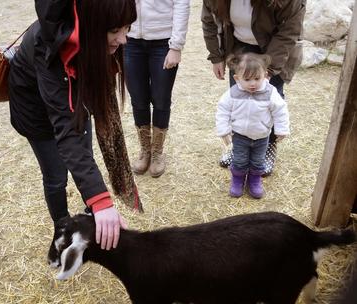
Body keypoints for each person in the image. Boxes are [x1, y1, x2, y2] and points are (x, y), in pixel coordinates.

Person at [8, 0, 137, 250]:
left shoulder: (88, 32)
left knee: (84, 154)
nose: (123, 40)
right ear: (88, 26)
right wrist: (102, 202)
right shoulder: (50, 49)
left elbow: (76, 140)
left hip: (71, 96)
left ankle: (93, 216)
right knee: (56, 175)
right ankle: (62, 229)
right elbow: (67, 133)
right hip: (35, 112)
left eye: (127, 28)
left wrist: (101, 206)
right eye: (114, 31)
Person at [202, 0, 305, 176]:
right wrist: (216, 56)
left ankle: (268, 145)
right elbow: (210, 20)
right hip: (239, 46)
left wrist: (268, 70)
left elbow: (288, 31)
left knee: (269, 99)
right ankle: (239, 147)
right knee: (239, 98)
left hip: (274, 48)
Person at [124, 0, 190, 178]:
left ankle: (157, 151)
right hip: (130, 40)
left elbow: (182, 4)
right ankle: (145, 149)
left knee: (161, 98)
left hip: (163, 42)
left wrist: (176, 46)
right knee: (138, 98)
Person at [216, 52, 290, 198]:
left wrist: (281, 129)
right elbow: (223, 110)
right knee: (240, 160)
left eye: (257, 78)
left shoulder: (270, 92)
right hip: (240, 136)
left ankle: (254, 181)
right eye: (247, 79)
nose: (253, 83)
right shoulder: (233, 93)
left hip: (262, 137)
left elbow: (280, 110)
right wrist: (224, 130)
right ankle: (237, 181)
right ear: (237, 78)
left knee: (258, 161)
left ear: (265, 75)